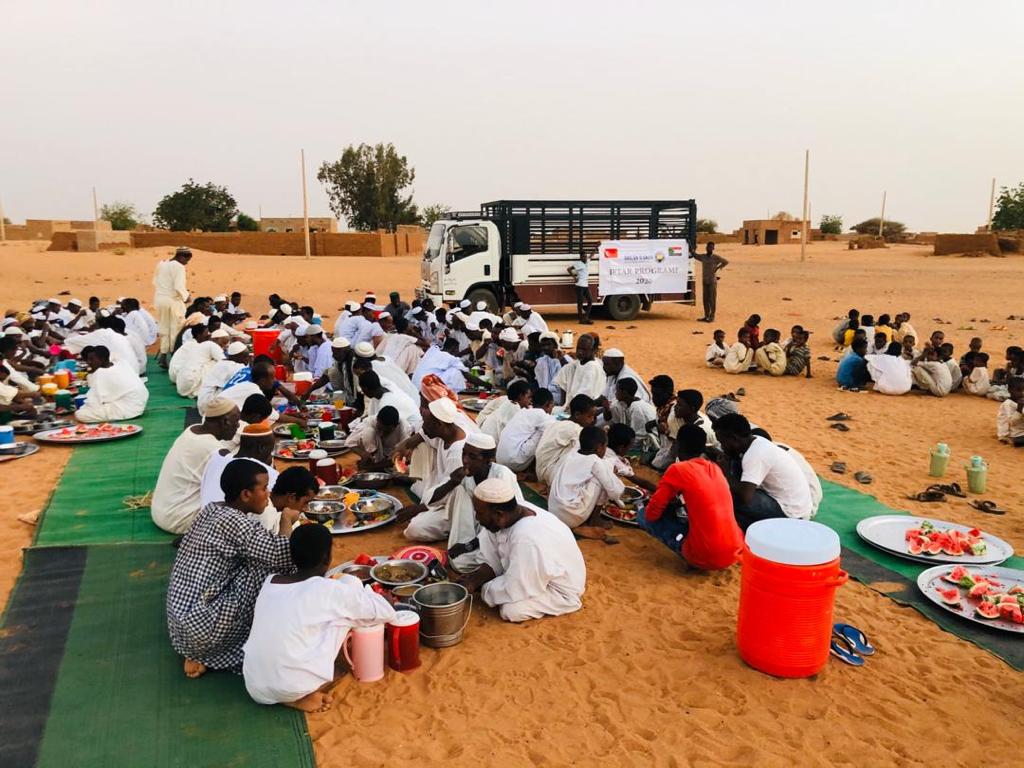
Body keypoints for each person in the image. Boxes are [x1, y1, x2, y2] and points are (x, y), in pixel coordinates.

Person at [167, 459, 300, 679]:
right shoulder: (235, 523)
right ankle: (209, 652)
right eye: (264, 488)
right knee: (273, 572)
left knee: (254, 562)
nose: (268, 494)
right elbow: (281, 555)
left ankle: (196, 653)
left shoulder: (213, 510)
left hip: (181, 625)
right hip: (201, 627)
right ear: (246, 495)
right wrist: (287, 520)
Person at [242, 523, 395, 712]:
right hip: (298, 684)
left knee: (338, 603)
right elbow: (385, 612)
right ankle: (298, 694)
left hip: (256, 688)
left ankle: (290, 698)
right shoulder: (326, 590)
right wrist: (378, 597)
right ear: (327, 558)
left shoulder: (270, 582)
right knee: (348, 605)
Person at [453, 478, 586, 623]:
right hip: (532, 573)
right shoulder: (509, 512)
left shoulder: (527, 539)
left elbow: (517, 587)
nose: (477, 518)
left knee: (511, 610)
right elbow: (492, 554)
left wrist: (483, 588)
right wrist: (476, 578)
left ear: (499, 515)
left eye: (479, 513)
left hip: (559, 589)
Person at [639, 425, 742, 569]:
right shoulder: (714, 468)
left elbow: (652, 513)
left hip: (704, 555)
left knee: (642, 515)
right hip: (733, 550)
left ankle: (693, 554)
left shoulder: (678, 469)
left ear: (678, 445)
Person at [151, 398, 240, 534]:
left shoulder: (191, 430)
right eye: (236, 422)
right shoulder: (213, 449)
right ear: (225, 422)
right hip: (178, 520)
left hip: (160, 511)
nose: (238, 426)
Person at [713, 413, 812, 529]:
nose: (722, 446)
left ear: (735, 438)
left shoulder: (755, 455)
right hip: (797, 504)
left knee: (725, 497)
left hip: (790, 512)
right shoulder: (757, 441)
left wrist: (725, 472)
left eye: (722, 442)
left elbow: (745, 497)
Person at [400, 397, 468, 542]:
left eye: (426, 423)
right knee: (415, 488)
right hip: (440, 490)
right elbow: (422, 436)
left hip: (455, 503)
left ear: (439, 424)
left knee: (415, 528)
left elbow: (451, 494)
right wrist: (405, 446)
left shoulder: (458, 453)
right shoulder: (444, 431)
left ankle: (456, 529)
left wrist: (419, 509)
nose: (423, 427)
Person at [547, 426, 625, 539]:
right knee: (604, 476)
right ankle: (594, 520)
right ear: (599, 448)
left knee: (601, 473)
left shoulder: (571, 454)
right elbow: (615, 492)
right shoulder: (595, 461)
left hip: (554, 511)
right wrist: (612, 474)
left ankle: (573, 525)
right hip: (572, 515)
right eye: (605, 446)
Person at [199, 423, 280, 529]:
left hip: (205, 522)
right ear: (261, 448)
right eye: (270, 451)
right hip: (235, 529)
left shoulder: (216, 458)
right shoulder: (266, 473)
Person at [534, 394, 598, 486]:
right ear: (577, 415)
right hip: (551, 474)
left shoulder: (558, 423)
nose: (592, 420)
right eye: (589, 416)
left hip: (542, 471)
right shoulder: (574, 429)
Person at [75, 345, 149, 422]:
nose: (88, 362)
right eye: (88, 359)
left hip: (128, 410)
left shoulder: (101, 373)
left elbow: (92, 403)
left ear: (102, 359)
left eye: (91, 359)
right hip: (139, 403)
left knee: (81, 414)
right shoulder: (121, 363)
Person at [496, 387, 556, 473]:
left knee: (540, 429)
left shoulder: (524, 411)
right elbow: (554, 429)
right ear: (548, 404)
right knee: (546, 432)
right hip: (513, 462)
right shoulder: (540, 414)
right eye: (552, 406)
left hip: (500, 459)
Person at [153, 246, 192, 368]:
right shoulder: (179, 267)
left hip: (160, 299)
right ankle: (175, 358)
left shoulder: (162, 264)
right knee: (176, 329)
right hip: (172, 301)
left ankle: (163, 356)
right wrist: (187, 297)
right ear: (181, 256)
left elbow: (155, 282)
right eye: (187, 260)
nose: (186, 263)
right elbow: (178, 286)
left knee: (164, 327)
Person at [344, 404, 412, 471]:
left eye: (386, 431)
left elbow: (406, 451)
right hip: (372, 454)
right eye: (380, 428)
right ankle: (371, 463)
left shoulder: (404, 427)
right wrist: (363, 453)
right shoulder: (369, 422)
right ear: (377, 420)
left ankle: (372, 466)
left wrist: (376, 466)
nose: (382, 433)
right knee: (369, 432)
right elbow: (349, 442)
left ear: (396, 426)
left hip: (390, 456)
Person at [553, 333, 604, 404]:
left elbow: (585, 395)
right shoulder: (579, 363)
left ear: (592, 350)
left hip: (582, 409)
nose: (580, 352)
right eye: (578, 348)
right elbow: (567, 371)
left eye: (584, 349)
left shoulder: (592, 368)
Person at [693, 241, 728, 322]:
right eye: (708, 247)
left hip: (712, 281)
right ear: (706, 248)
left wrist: (718, 267)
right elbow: (695, 255)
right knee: (705, 299)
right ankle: (706, 316)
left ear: (713, 248)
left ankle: (712, 317)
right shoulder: (703, 257)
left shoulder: (715, 257)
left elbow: (725, 262)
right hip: (705, 281)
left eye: (711, 247)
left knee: (712, 299)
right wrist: (692, 248)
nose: (709, 248)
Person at [534, 332, 566, 404]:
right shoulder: (541, 361)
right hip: (545, 396)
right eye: (543, 345)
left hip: (559, 397)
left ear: (555, 345)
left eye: (549, 344)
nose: (546, 347)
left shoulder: (564, 359)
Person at [997, 377, 1024, 447]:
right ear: (1010, 390)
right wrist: (1019, 410)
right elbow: (1011, 422)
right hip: (1014, 434)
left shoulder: (1020, 401)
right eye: (1018, 390)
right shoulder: (1008, 404)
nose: (1022, 393)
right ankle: (1014, 442)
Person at [568, 251, 593, 324]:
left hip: (585, 286)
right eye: (583, 256)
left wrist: (596, 247)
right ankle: (581, 320)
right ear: (580, 257)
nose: (585, 258)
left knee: (590, 301)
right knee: (580, 303)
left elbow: (591, 255)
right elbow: (569, 269)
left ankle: (586, 317)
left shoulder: (587, 262)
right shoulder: (578, 264)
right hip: (579, 286)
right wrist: (574, 278)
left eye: (585, 256)